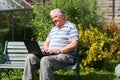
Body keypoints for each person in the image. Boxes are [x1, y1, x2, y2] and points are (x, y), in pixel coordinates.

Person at [22, 8, 79, 80]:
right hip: (50, 55)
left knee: (45, 60)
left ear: (63, 16)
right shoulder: (53, 29)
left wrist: (58, 51)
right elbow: (47, 42)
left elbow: (75, 44)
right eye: (52, 18)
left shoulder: (71, 26)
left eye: (56, 17)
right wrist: (46, 49)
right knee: (30, 57)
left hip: (64, 56)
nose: (54, 20)